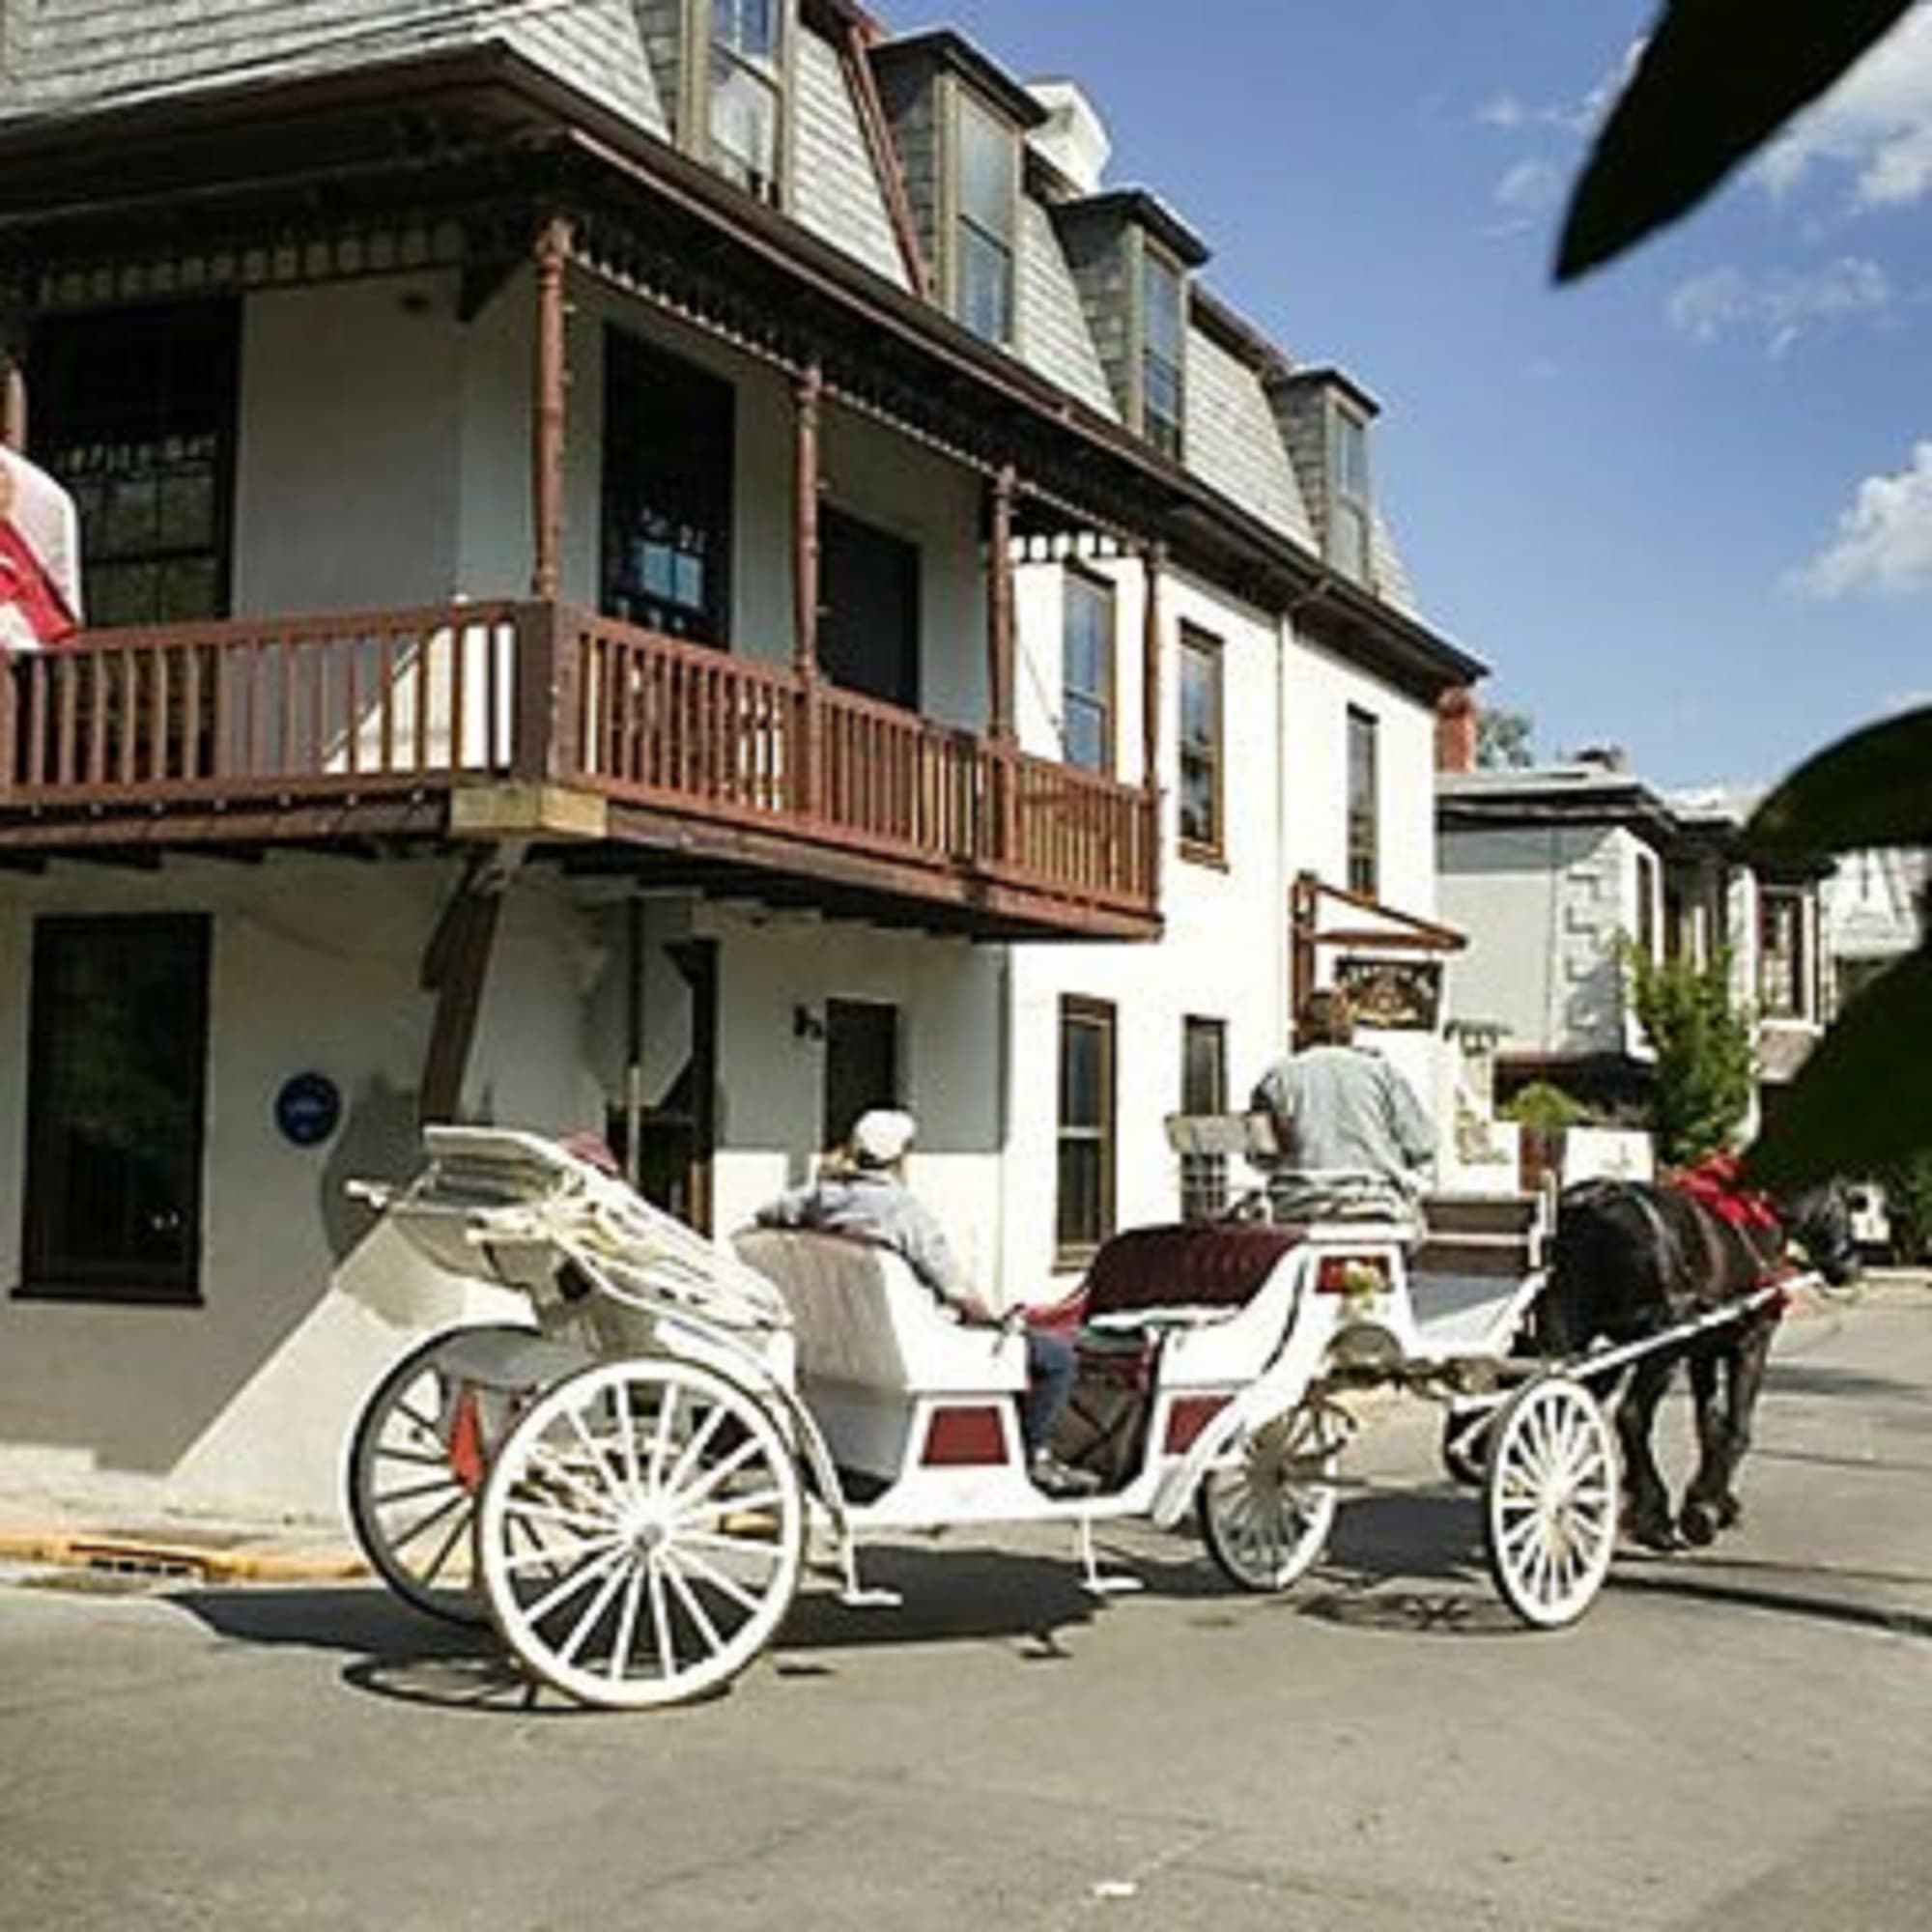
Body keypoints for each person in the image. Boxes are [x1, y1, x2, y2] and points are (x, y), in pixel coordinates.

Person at [755, 1109, 1095, 1498]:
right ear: (901, 1157)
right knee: (1056, 1358)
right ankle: (1032, 1456)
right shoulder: (904, 1212)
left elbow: (766, 1215)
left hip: (842, 1351)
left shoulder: (816, 1199)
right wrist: (995, 1319)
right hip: (913, 1348)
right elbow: (955, 1289)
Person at [1250, 988, 1435, 1214]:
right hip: (1374, 1201)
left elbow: (1261, 1155)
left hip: (1298, 1202)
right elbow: (1421, 1144)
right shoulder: (1382, 1073)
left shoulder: (1277, 1077)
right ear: (1350, 1028)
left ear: (1301, 1028)